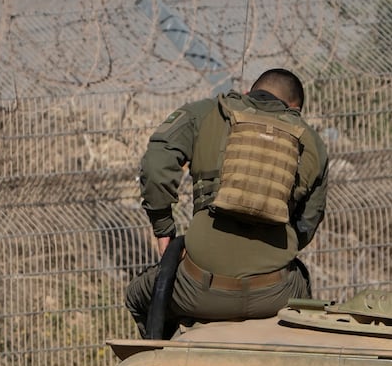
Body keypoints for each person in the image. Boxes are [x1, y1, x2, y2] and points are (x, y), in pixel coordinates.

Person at [125, 67, 330, 334]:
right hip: (275, 294)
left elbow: (155, 167)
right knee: (302, 286)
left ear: (247, 93)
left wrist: (163, 228)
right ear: (295, 109)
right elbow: (307, 223)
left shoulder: (207, 113)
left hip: (197, 290)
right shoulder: (311, 140)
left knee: (138, 296)